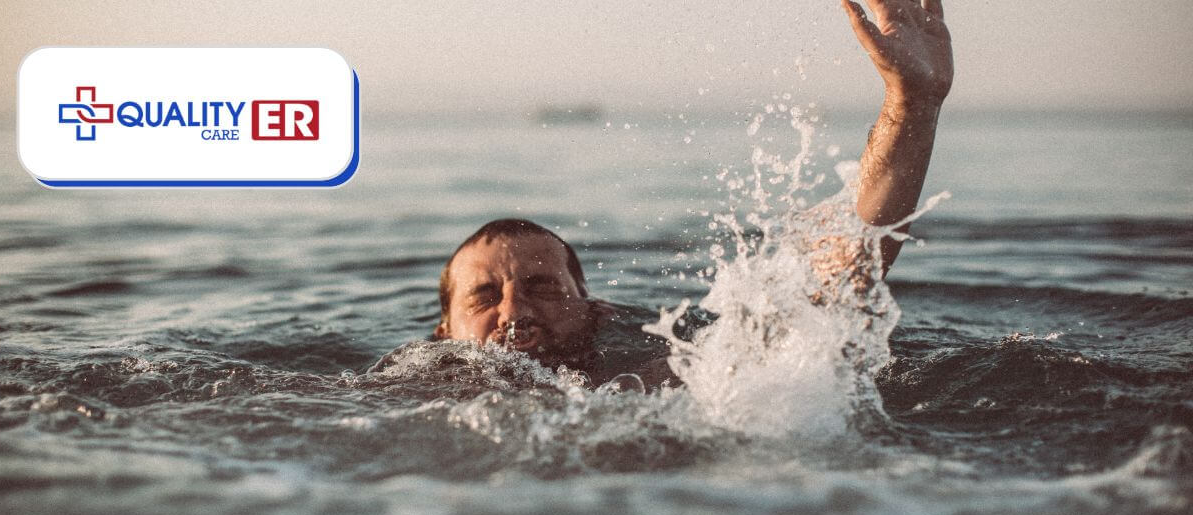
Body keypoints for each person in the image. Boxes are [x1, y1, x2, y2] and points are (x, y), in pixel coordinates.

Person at [381, 0, 952, 385]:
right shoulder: (399, 398)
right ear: (444, 333)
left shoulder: (666, 368)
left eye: (540, 286)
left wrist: (911, 105)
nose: (514, 311)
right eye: (483, 297)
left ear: (595, 310)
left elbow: (831, 281)